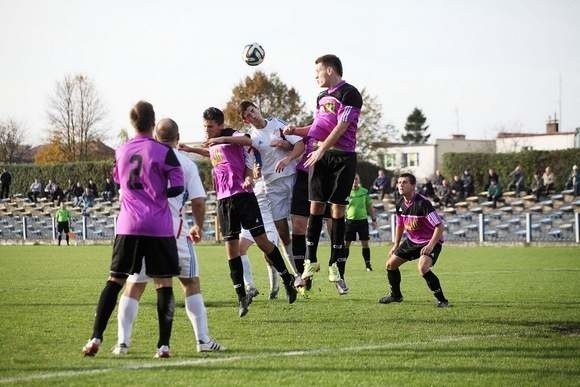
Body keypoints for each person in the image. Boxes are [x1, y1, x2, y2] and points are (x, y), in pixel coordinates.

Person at [81, 101, 184, 358]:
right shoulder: (163, 152)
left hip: (128, 225)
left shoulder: (121, 151)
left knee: (114, 281)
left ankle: (95, 337)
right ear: (153, 122)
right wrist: (159, 191)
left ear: (132, 122)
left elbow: (118, 179)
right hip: (158, 227)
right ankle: (163, 345)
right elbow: (178, 186)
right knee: (163, 284)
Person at [113, 118, 223, 356]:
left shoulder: (143, 158)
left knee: (134, 285)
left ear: (155, 134)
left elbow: (124, 193)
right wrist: (199, 227)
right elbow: (199, 201)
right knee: (190, 282)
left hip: (142, 229)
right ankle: (202, 340)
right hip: (174, 230)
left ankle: (123, 342)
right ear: (178, 136)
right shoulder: (185, 163)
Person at [180, 107, 297, 317]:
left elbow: (247, 140)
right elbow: (212, 154)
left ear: (220, 125)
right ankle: (241, 297)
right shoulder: (215, 142)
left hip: (243, 197)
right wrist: (190, 149)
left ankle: (287, 278)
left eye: (210, 127)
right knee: (231, 249)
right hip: (224, 200)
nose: (207, 131)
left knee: (262, 241)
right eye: (204, 127)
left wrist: (218, 141)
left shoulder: (231, 135)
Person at [282, 54, 362, 289]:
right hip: (320, 155)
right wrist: (296, 129)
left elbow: (342, 125)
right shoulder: (320, 96)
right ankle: (310, 261)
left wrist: (321, 149)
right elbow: (318, 126)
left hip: (342, 158)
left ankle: (335, 265)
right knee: (315, 207)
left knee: (337, 210)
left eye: (317, 71)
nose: (315, 76)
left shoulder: (350, 93)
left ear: (329, 70)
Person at [234, 100, 305, 273]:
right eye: (248, 115)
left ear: (258, 109)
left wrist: (287, 157)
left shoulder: (278, 124)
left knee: (300, 227)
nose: (252, 115)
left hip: (292, 179)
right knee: (283, 233)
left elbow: (300, 145)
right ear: (246, 121)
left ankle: (306, 270)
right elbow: (249, 166)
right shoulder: (251, 139)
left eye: (253, 110)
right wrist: (249, 178)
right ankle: (297, 275)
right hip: (272, 186)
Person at [378, 173, 449, 307]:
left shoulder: (423, 203)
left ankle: (442, 301)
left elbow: (439, 226)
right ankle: (396, 296)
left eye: (404, 182)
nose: (400, 185)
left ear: (413, 186)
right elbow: (400, 224)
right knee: (390, 265)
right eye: (399, 182)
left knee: (423, 268)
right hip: (412, 241)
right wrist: (396, 244)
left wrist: (431, 245)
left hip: (430, 241)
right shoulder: (400, 203)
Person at [344, 174, 377, 290]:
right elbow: (342, 207)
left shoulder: (364, 191)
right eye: (352, 179)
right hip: (350, 222)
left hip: (362, 221)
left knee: (365, 244)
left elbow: (370, 206)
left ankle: (368, 265)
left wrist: (374, 219)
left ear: (359, 180)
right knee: (346, 244)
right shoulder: (346, 192)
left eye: (356, 179)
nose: (354, 181)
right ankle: (342, 265)